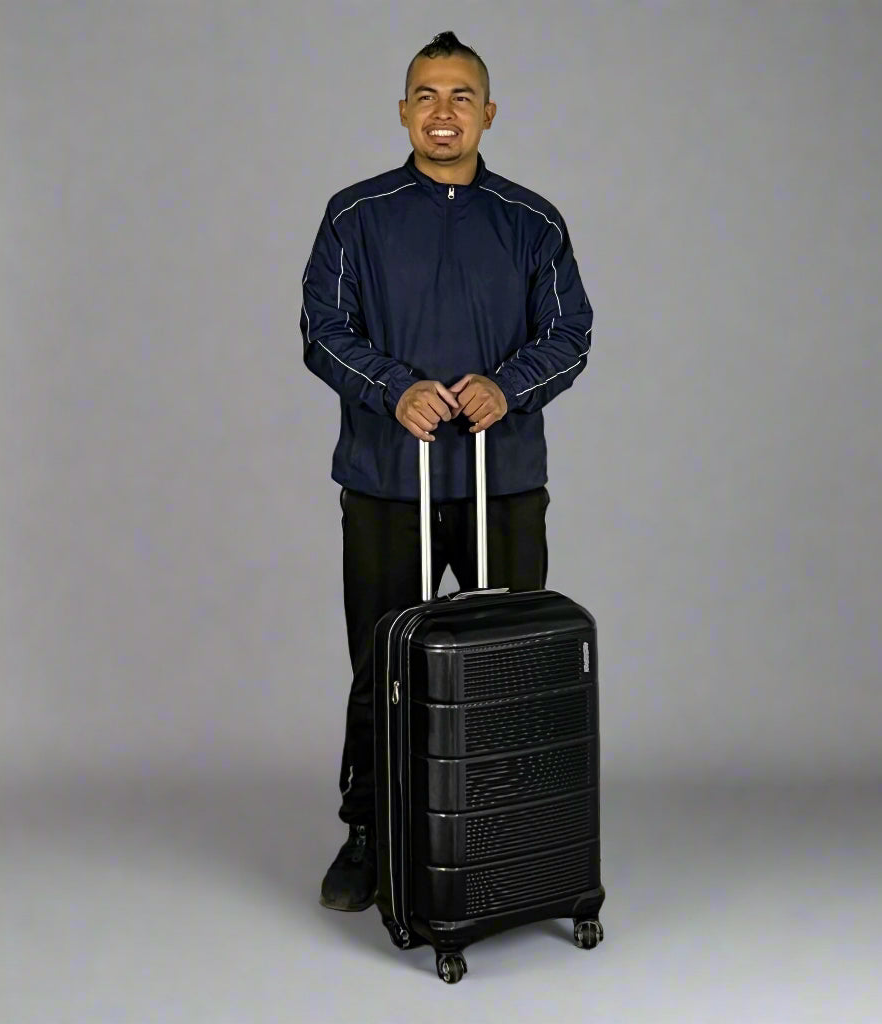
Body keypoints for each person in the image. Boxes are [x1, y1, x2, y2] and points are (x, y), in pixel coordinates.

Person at [299, 31, 594, 912]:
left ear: (488, 113)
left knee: (510, 665)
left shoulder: (532, 221)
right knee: (382, 661)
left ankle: (513, 834)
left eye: (461, 96)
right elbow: (323, 331)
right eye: (426, 95)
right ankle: (368, 831)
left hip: (502, 480)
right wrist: (395, 390)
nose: (443, 112)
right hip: (391, 479)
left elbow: (570, 333)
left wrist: (509, 387)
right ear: (403, 112)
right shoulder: (356, 216)